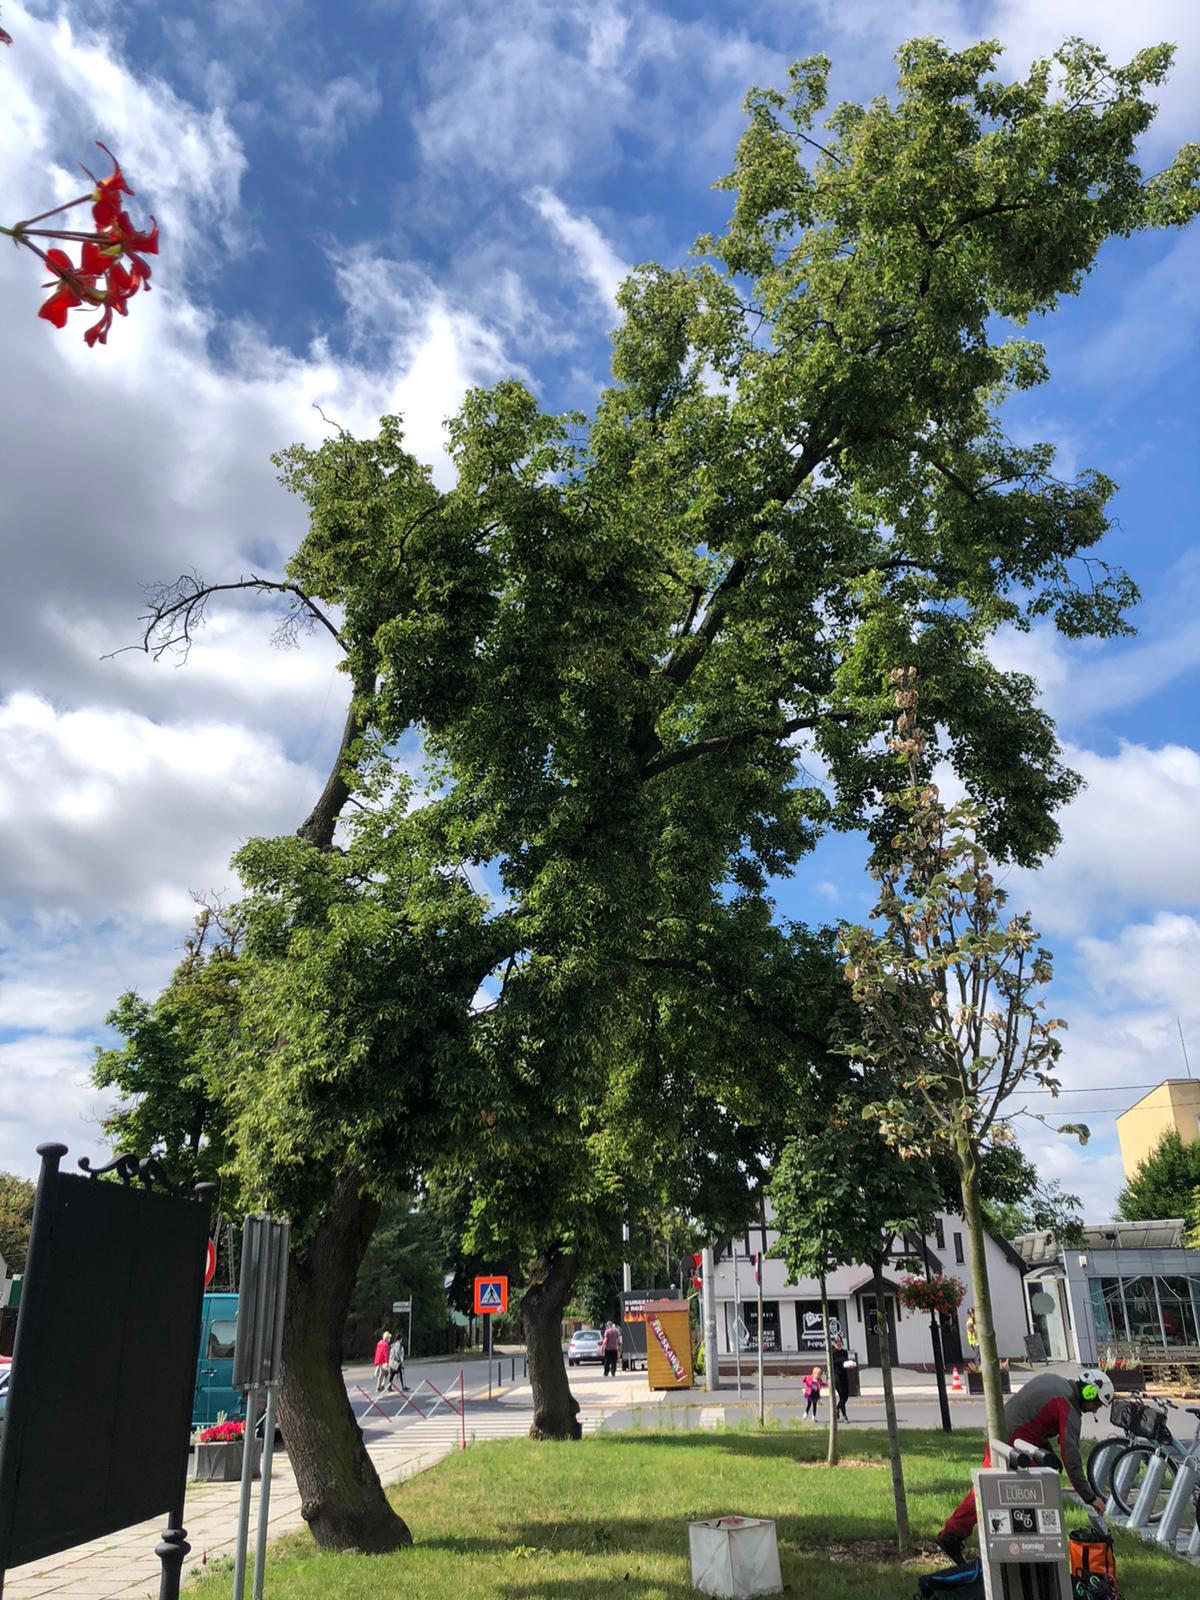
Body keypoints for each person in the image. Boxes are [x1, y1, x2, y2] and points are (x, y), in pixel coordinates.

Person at [936, 1367, 1114, 1565]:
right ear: (1088, 1392)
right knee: (999, 1493)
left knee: (991, 1491)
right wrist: (1090, 1497)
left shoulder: (1054, 1379)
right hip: (1013, 1443)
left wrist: (1047, 1452)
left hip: (1002, 1431)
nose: (1096, 1410)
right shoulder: (1068, 1407)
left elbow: (1035, 1418)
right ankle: (957, 1536)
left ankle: (966, 1535)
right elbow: (1071, 1457)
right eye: (1096, 1404)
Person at [831, 1337, 850, 1422]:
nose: (838, 1344)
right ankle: (845, 1416)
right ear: (834, 1344)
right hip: (836, 1376)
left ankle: (837, 1409)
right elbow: (832, 1363)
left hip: (844, 1376)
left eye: (839, 1342)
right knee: (842, 1396)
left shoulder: (844, 1352)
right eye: (836, 1342)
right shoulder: (832, 1352)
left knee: (845, 1397)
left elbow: (845, 1361)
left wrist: (850, 1365)